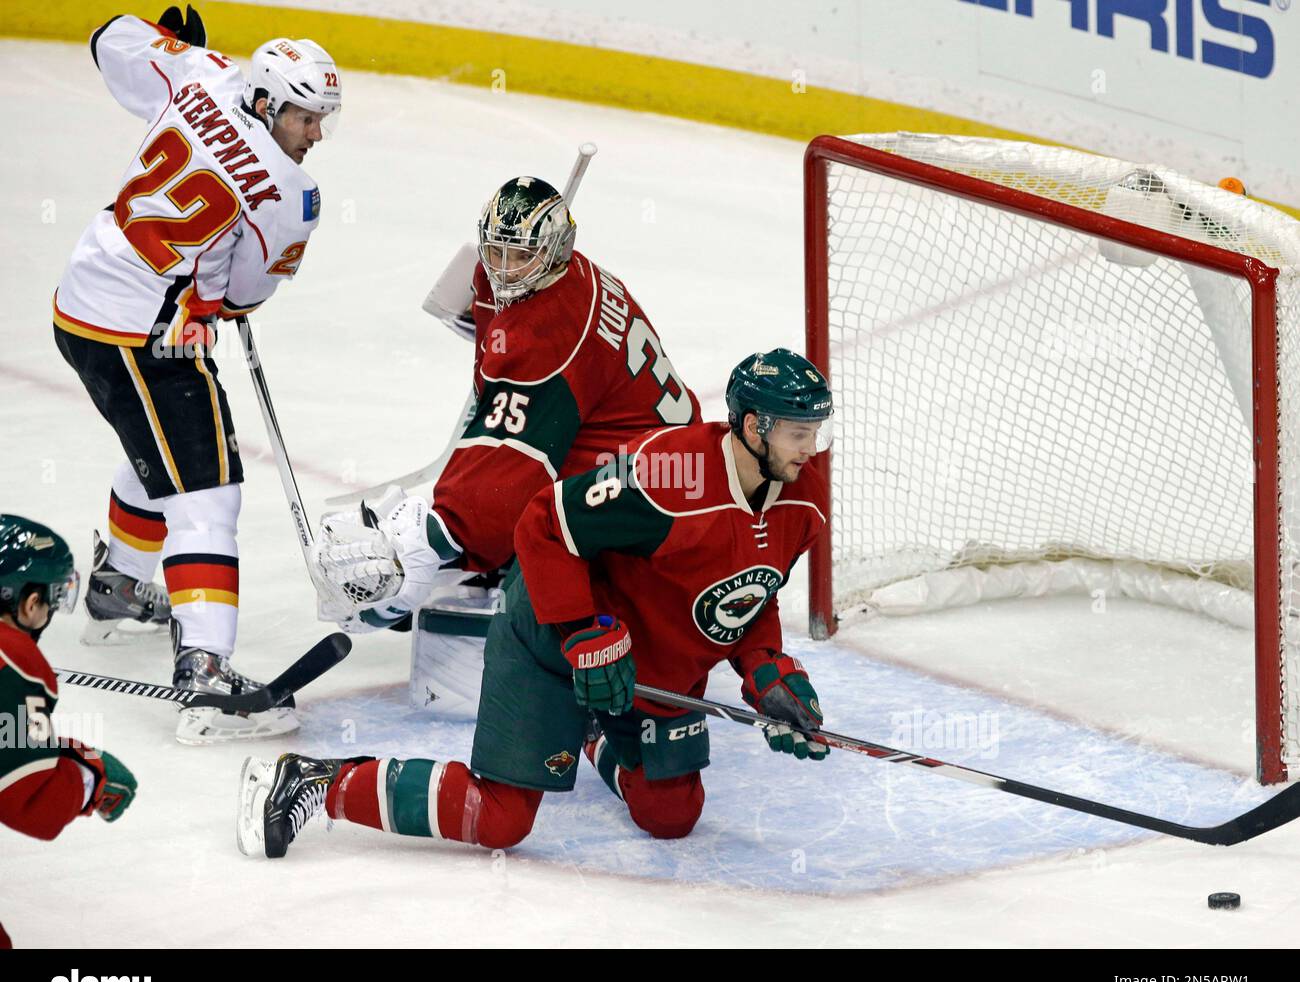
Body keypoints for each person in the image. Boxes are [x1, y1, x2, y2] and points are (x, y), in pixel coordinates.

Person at [239, 349, 832, 858]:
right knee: (500, 820)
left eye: (816, 431)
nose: (812, 448)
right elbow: (544, 522)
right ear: (754, 427)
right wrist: (581, 632)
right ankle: (316, 781)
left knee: (671, 816)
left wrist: (766, 669)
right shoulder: (664, 474)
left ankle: (594, 729)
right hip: (555, 636)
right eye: (799, 432)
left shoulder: (803, 500)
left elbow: (752, 591)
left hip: (649, 669)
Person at [52, 6, 342, 743]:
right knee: (208, 490)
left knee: (163, 449)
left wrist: (181, 48)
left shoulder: (204, 77)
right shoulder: (292, 196)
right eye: (306, 118)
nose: (316, 136)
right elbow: (243, 295)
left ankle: (117, 586)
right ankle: (205, 674)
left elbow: (109, 38)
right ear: (270, 103)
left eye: (323, 121)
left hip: (83, 301)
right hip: (148, 333)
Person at [312, 175, 701, 718]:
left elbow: (501, 492)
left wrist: (424, 546)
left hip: (653, 513)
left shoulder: (551, 336)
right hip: (662, 465)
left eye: (519, 255)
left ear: (556, 247)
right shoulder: (554, 278)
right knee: (474, 528)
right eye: (496, 249)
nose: (503, 268)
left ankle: (568, 632)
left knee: (483, 537)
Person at [0, 517, 137, 946]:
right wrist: (87, 777)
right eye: (52, 600)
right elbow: (29, 803)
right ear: (29, 602)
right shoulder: (18, 661)